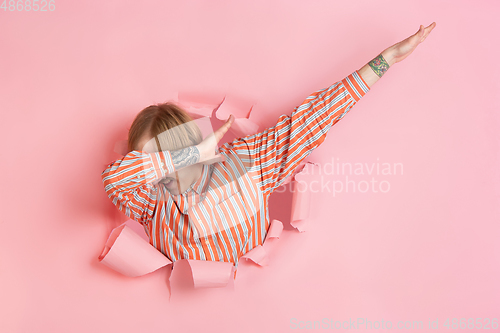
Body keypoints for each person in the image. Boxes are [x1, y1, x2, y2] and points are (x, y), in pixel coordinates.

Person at [101, 23, 436, 267]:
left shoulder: (245, 162)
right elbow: (114, 179)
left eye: (171, 153)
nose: (164, 169)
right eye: (151, 162)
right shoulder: (149, 204)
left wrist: (386, 59)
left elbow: (311, 120)